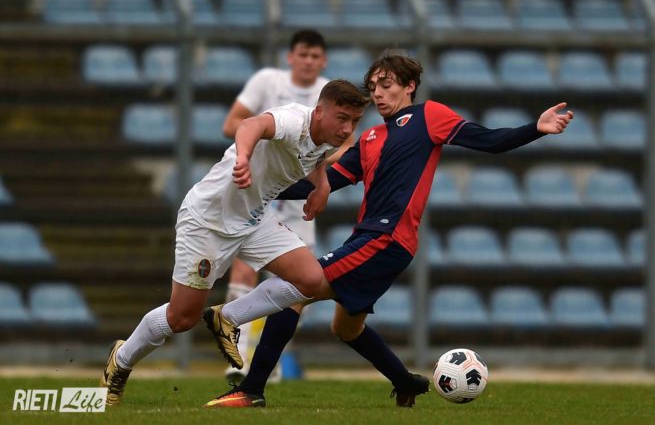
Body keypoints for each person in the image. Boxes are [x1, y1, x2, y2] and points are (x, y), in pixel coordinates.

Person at [202, 51, 574, 408]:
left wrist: (536, 129)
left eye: (387, 84)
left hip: (386, 239)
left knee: (297, 289)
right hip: (371, 240)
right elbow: (321, 183)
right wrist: (251, 186)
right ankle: (405, 381)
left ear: (410, 86)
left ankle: (250, 386)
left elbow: (490, 141)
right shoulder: (369, 139)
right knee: (346, 329)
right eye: (373, 87)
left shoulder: (429, 116)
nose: (378, 93)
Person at [100, 79, 369, 405]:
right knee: (182, 317)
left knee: (310, 280)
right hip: (208, 222)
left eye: (354, 120)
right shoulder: (293, 121)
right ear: (320, 111)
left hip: (254, 221)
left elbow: (313, 159)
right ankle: (121, 359)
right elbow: (250, 125)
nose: (348, 129)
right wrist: (243, 158)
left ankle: (227, 317)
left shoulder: (326, 137)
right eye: (342, 118)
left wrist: (322, 186)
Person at [222, 29, 354, 382]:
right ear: (290, 57)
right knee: (243, 272)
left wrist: (310, 159)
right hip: (262, 189)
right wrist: (275, 139)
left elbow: (347, 145)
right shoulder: (268, 81)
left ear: (323, 61)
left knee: (297, 284)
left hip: (298, 197)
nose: (308, 61)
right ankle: (238, 357)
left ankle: (267, 358)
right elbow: (233, 123)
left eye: (315, 56)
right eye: (303, 54)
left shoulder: (331, 92)